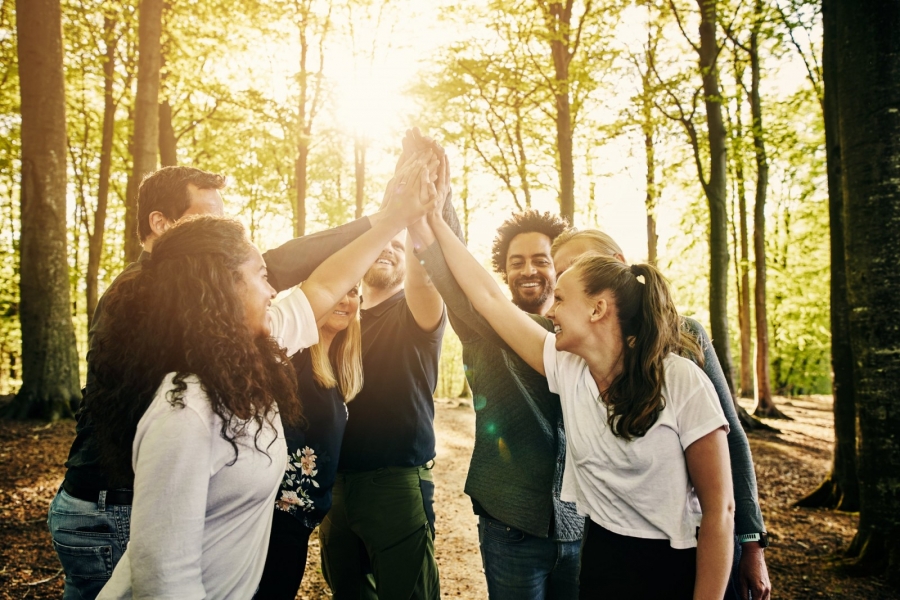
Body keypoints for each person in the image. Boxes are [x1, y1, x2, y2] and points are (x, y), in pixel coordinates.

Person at [48, 164, 416, 599]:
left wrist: (392, 218)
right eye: (260, 277)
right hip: (112, 509)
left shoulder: (230, 349)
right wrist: (386, 217)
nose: (271, 288)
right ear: (213, 280)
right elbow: (165, 579)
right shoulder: (175, 380)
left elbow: (319, 287)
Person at [422, 209, 735, 599]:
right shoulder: (567, 368)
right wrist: (434, 217)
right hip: (601, 560)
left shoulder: (681, 380)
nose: (550, 309)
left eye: (561, 299)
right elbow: (486, 298)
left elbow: (720, 510)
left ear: (597, 308)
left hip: (669, 565)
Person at [550, 229, 772, 600]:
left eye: (577, 265)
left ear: (617, 267)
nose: (564, 279)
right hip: (614, 544)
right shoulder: (573, 355)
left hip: (691, 541)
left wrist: (752, 542)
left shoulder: (684, 340)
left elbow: (729, 440)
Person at [415, 207, 584, 599]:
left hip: (582, 526)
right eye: (516, 262)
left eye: (541, 260)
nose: (529, 270)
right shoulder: (481, 325)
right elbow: (450, 270)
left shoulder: (586, 338)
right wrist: (440, 200)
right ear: (502, 272)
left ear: (558, 268)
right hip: (510, 526)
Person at [318, 143, 448, 600]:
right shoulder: (337, 321)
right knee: (347, 591)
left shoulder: (415, 316)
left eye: (399, 247)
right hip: (335, 485)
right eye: (382, 243)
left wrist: (415, 219)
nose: (388, 251)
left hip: (394, 483)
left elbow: (426, 277)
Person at [256, 285, 363, 599]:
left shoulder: (336, 364)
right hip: (274, 521)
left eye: (354, 291)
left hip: (299, 523)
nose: (345, 299)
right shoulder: (292, 357)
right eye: (338, 289)